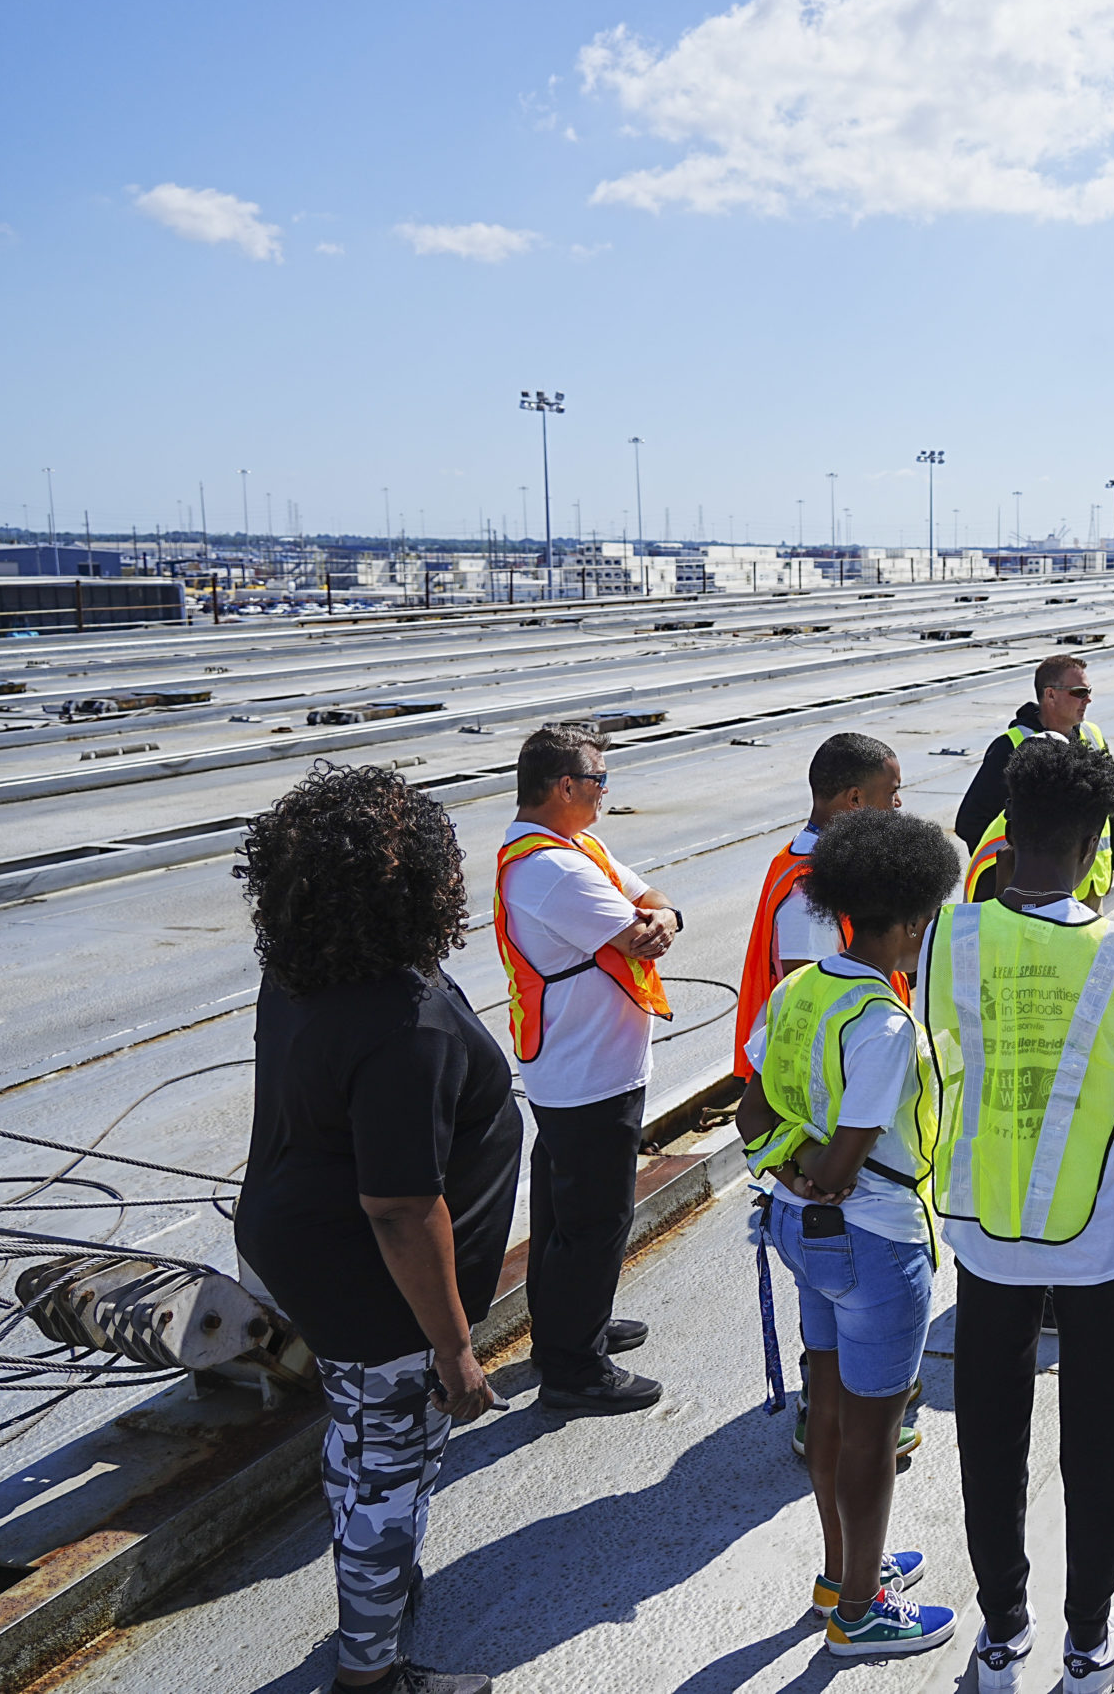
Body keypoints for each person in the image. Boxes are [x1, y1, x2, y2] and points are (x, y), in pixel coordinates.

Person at [234, 764, 522, 1694]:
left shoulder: (302, 967)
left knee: (361, 1438)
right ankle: (370, 1672)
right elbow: (400, 1208)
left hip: (301, 1241)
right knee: (390, 1472)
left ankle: (377, 1590)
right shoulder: (407, 1022)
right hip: (377, 1288)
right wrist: (453, 1350)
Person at [919, 735, 1114, 1694]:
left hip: (985, 1232)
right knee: (1100, 1443)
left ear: (1006, 829)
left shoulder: (948, 936)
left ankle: (1000, 1637)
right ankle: (1088, 1640)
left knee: (989, 1438)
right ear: (1098, 840)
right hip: (1101, 1244)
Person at [736, 808, 960, 1657]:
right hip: (875, 1243)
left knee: (825, 1405)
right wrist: (815, 1172)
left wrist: (787, 1171)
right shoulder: (886, 1025)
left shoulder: (801, 989)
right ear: (906, 920)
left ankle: (840, 1571)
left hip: (800, 1235)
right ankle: (859, 1612)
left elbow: (752, 1106)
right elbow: (844, 1165)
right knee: (875, 1429)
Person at [493, 724, 674, 1415]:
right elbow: (637, 930)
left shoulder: (577, 847)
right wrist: (652, 923)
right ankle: (574, 1368)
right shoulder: (551, 869)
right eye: (600, 780)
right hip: (585, 1071)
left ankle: (570, 1331)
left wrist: (668, 916)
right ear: (565, 785)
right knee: (594, 1220)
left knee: (568, 1213)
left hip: (593, 1064)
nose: (606, 793)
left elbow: (653, 900)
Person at [730, 733, 903, 1081]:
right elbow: (811, 1008)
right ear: (855, 798)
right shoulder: (811, 890)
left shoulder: (822, 864)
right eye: (891, 792)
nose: (898, 804)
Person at [955, 655, 1114, 905]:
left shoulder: (1092, 735)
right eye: (1079, 692)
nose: (1088, 699)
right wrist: (1014, 873)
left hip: (1089, 890)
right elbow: (972, 822)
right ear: (1050, 694)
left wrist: (1111, 863)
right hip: (1035, 894)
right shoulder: (1013, 746)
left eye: (1089, 691)